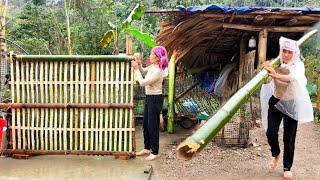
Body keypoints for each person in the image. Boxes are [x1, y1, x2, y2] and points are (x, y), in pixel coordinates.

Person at [260, 37, 313, 179]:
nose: (286, 55)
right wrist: (264, 68)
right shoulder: (276, 63)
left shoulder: (298, 65)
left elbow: (292, 77)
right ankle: (276, 154)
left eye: (290, 52)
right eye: (284, 51)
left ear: (294, 53)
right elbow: (267, 80)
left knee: (289, 138)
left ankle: (287, 166)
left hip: (291, 103)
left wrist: (275, 73)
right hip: (276, 102)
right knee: (271, 132)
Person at [132, 46, 169, 161]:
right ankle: (147, 148)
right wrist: (139, 65)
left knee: (153, 126)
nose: (150, 55)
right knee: (146, 124)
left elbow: (143, 82)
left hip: (155, 99)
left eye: (152, 54)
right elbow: (143, 71)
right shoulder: (153, 66)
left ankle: (155, 151)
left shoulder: (158, 71)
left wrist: (135, 69)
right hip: (149, 98)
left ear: (157, 57)